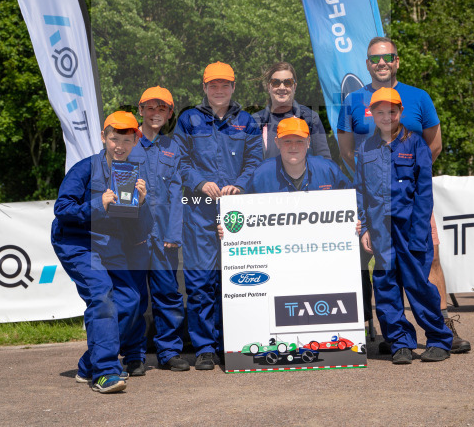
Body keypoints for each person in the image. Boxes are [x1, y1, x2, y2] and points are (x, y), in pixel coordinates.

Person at [337, 36, 470, 354]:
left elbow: (433, 145)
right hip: (373, 204)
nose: (381, 64)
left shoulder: (419, 97)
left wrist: (406, 177)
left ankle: (443, 329)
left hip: (412, 200)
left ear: (397, 61)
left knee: (428, 259)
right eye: (374, 59)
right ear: (367, 63)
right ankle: (396, 338)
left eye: (387, 58)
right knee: (383, 269)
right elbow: (347, 152)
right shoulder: (353, 101)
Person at [50, 111, 149, 393]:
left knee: (130, 300)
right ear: (103, 138)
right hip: (76, 240)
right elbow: (62, 210)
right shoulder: (83, 169)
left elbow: (137, 229)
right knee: (101, 293)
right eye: (114, 139)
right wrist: (97, 204)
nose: (120, 146)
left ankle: (89, 364)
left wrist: (141, 204)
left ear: (135, 142)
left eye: (127, 141)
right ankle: (105, 372)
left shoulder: (132, 174)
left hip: (110, 243)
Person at [174, 61, 262, 369]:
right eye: (214, 85)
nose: (219, 90)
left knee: (238, 280)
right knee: (200, 283)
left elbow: (255, 161)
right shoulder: (188, 119)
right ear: (204, 87)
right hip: (199, 211)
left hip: (237, 213)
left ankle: (233, 344)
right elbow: (180, 161)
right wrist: (199, 181)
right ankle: (205, 348)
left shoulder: (247, 121)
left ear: (234, 87)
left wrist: (240, 184)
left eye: (225, 85)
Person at [355, 88, 452, 363]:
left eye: (392, 111)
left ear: (400, 112)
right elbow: (360, 190)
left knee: (418, 284)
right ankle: (400, 343)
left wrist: (419, 230)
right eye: (380, 112)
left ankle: (438, 339)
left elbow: (424, 192)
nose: (387, 117)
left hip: (411, 227)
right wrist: (364, 228)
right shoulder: (365, 148)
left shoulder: (416, 144)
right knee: (385, 284)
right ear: (372, 114)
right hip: (379, 229)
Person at [132, 86, 190, 372]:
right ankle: (134, 355)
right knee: (134, 297)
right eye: (150, 108)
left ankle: (169, 352)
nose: (156, 113)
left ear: (169, 114)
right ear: (140, 110)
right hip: (133, 237)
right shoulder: (125, 144)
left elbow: (178, 194)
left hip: (164, 237)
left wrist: (174, 234)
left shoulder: (173, 147)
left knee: (168, 294)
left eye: (162, 108)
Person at [244, 117, 349, 194]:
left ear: (308, 142)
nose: (293, 147)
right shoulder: (261, 174)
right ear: (277, 142)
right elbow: (246, 210)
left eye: (299, 141)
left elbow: (353, 202)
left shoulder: (328, 170)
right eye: (287, 141)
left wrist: (356, 220)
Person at [253, 62, 331, 161]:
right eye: (276, 83)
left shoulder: (310, 118)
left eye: (287, 83)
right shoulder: (255, 121)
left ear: (294, 86)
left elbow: (324, 161)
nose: (282, 87)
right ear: (269, 87)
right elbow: (249, 163)